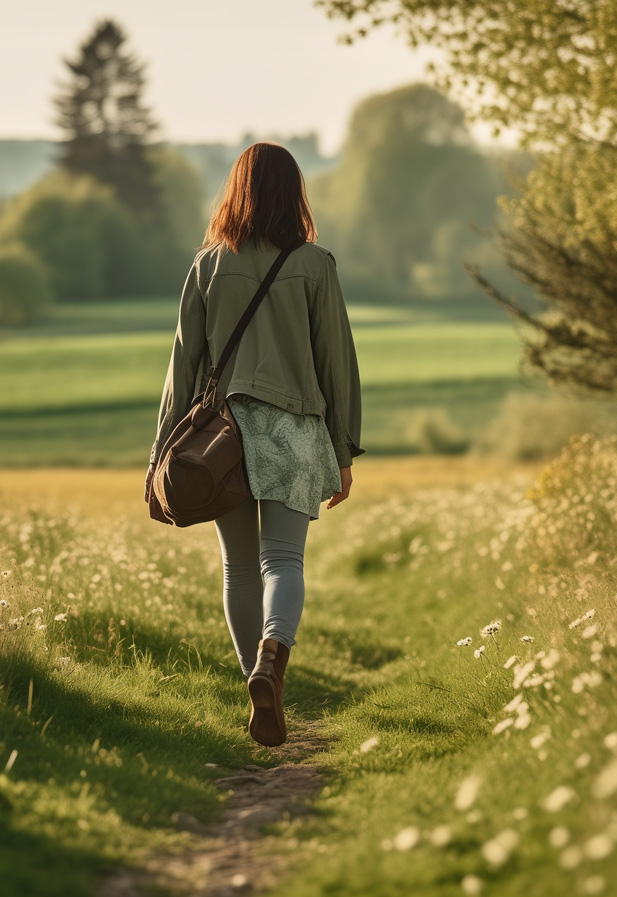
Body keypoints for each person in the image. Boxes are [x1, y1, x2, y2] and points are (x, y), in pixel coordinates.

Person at [146, 142, 363, 747]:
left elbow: (182, 369)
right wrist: (343, 451)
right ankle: (273, 660)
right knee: (284, 562)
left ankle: (256, 684)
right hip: (296, 431)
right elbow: (335, 363)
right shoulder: (315, 265)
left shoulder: (209, 265)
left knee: (240, 567)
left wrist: (162, 453)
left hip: (224, 440)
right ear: (294, 192)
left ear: (236, 189)